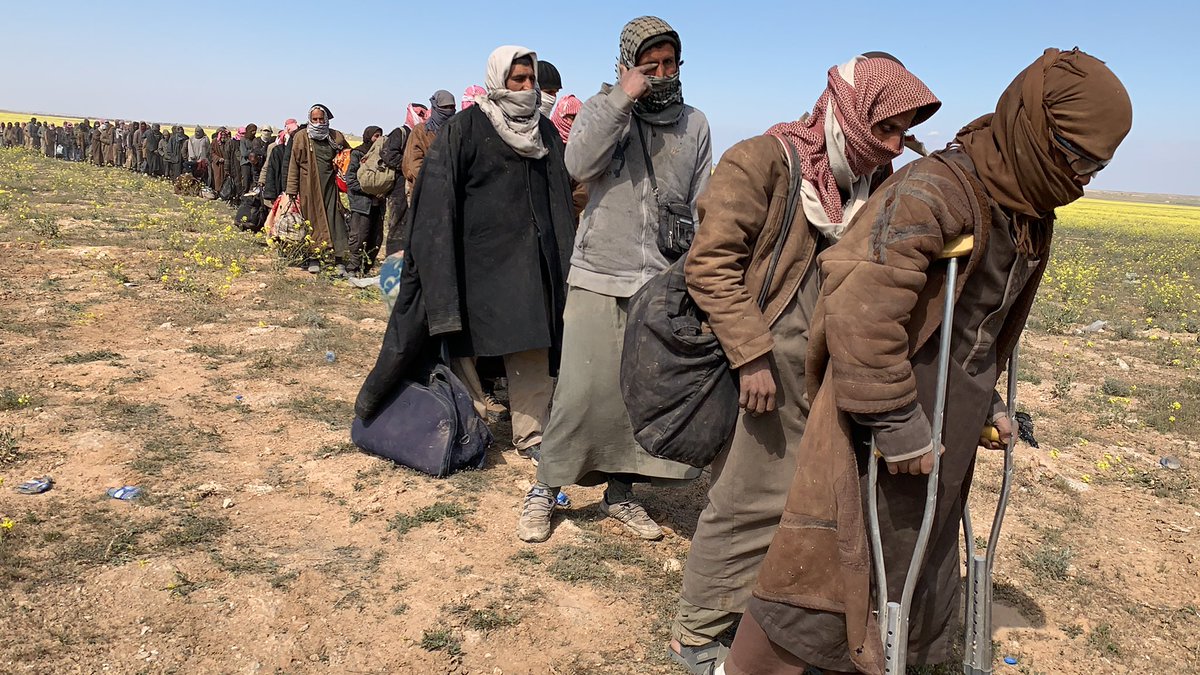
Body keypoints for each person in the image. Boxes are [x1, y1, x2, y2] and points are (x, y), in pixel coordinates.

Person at [720, 48, 1132, 675]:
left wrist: (990, 399)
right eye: (1074, 157)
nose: (1081, 178)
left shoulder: (1026, 209)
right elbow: (862, 309)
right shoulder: (934, 191)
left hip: (949, 414)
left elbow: (988, 328)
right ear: (1034, 129)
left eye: (1096, 166)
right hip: (883, 411)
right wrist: (894, 419)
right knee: (831, 564)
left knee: (912, 561)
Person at [661, 53, 940, 674]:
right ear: (848, 111)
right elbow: (710, 264)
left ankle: (760, 622)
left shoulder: (872, 183)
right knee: (747, 497)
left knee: (802, 501)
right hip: (768, 360)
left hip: (828, 363)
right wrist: (750, 354)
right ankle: (697, 630)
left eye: (900, 132)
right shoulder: (762, 160)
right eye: (883, 126)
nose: (889, 143)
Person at [518, 15, 712, 543]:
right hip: (600, 270)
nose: (662, 71)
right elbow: (578, 164)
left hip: (662, 280)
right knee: (580, 390)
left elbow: (703, 201)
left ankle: (622, 495)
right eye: (650, 61)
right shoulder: (603, 109)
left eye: (670, 62)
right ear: (628, 62)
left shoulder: (694, 123)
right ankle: (545, 488)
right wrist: (622, 98)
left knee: (639, 398)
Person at [410, 45, 575, 470]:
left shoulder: (545, 133)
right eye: (517, 80)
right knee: (467, 346)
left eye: (530, 80)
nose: (526, 88)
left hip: (529, 264)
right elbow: (438, 197)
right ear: (497, 80)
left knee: (531, 345)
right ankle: (471, 426)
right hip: (475, 262)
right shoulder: (464, 128)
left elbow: (559, 195)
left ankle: (531, 433)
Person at [286, 104, 350, 274]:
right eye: (315, 119)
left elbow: (348, 156)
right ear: (309, 119)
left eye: (321, 119)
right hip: (308, 188)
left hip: (330, 187)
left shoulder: (335, 136)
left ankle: (339, 259)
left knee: (335, 220)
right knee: (311, 222)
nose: (318, 122)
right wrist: (291, 190)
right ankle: (314, 258)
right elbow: (294, 165)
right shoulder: (301, 137)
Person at [344, 125, 385, 277]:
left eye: (380, 136)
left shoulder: (383, 155)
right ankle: (352, 268)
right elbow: (351, 180)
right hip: (362, 203)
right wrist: (370, 192)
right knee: (359, 236)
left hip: (377, 204)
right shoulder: (358, 153)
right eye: (375, 136)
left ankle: (365, 269)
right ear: (368, 136)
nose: (378, 139)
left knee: (376, 237)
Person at [402, 91, 453, 186]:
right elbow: (415, 162)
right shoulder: (421, 131)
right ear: (435, 107)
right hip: (425, 187)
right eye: (444, 108)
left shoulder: (456, 130)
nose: (448, 111)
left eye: (451, 108)